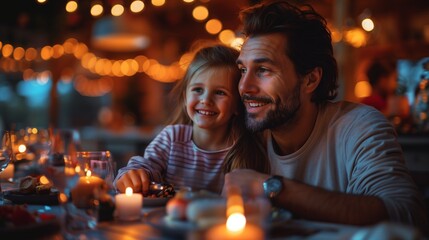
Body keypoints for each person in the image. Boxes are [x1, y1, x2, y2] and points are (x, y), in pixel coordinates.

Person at [222, 0, 428, 233]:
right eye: (243, 70)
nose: (245, 87)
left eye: (263, 70)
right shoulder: (241, 137)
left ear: (310, 79)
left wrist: (270, 187)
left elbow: (405, 215)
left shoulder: (358, 126)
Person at [114, 44, 264, 195]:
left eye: (220, 92)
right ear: (185, 97)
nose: (206, 100)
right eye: (198, 90)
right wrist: (132, 175)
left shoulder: (244, 149)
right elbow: (145, 165)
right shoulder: (172, 138)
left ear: (237, 105)